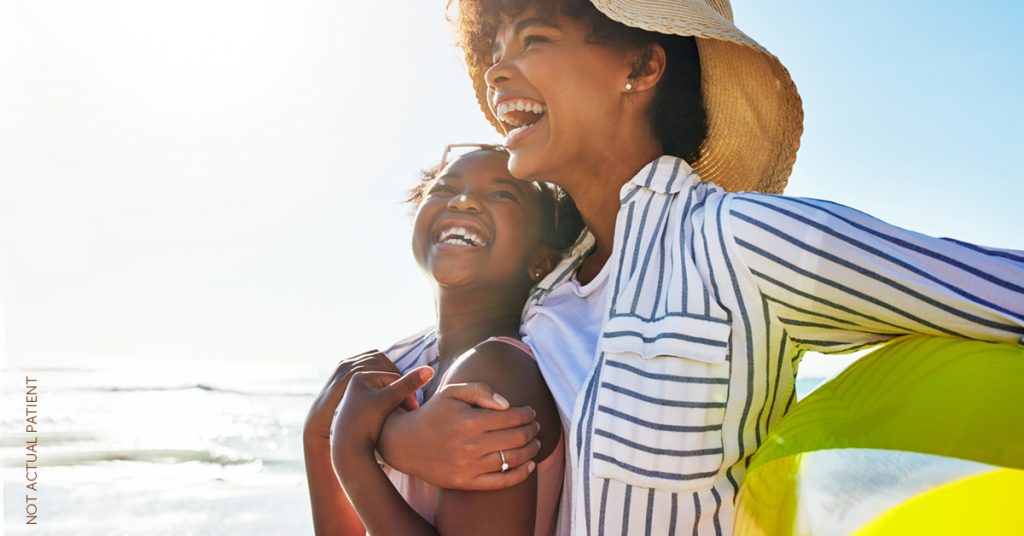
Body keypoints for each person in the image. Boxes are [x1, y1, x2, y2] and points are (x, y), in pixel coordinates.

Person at [366, 1, 1024, 534]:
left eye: (533, 39)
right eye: (496, 51)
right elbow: (403, 382)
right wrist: (390, 437)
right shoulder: (539, 287)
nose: (497, 72)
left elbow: (1000, 290)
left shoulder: (739, 242)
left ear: (641, 66)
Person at [304, 145, 584, 535]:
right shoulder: (411, 370)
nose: (464, 201)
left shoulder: (496, 373)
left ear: (542, 261)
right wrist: (318, 434)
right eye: (444, 188)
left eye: (502, 194)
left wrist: (351, 451)